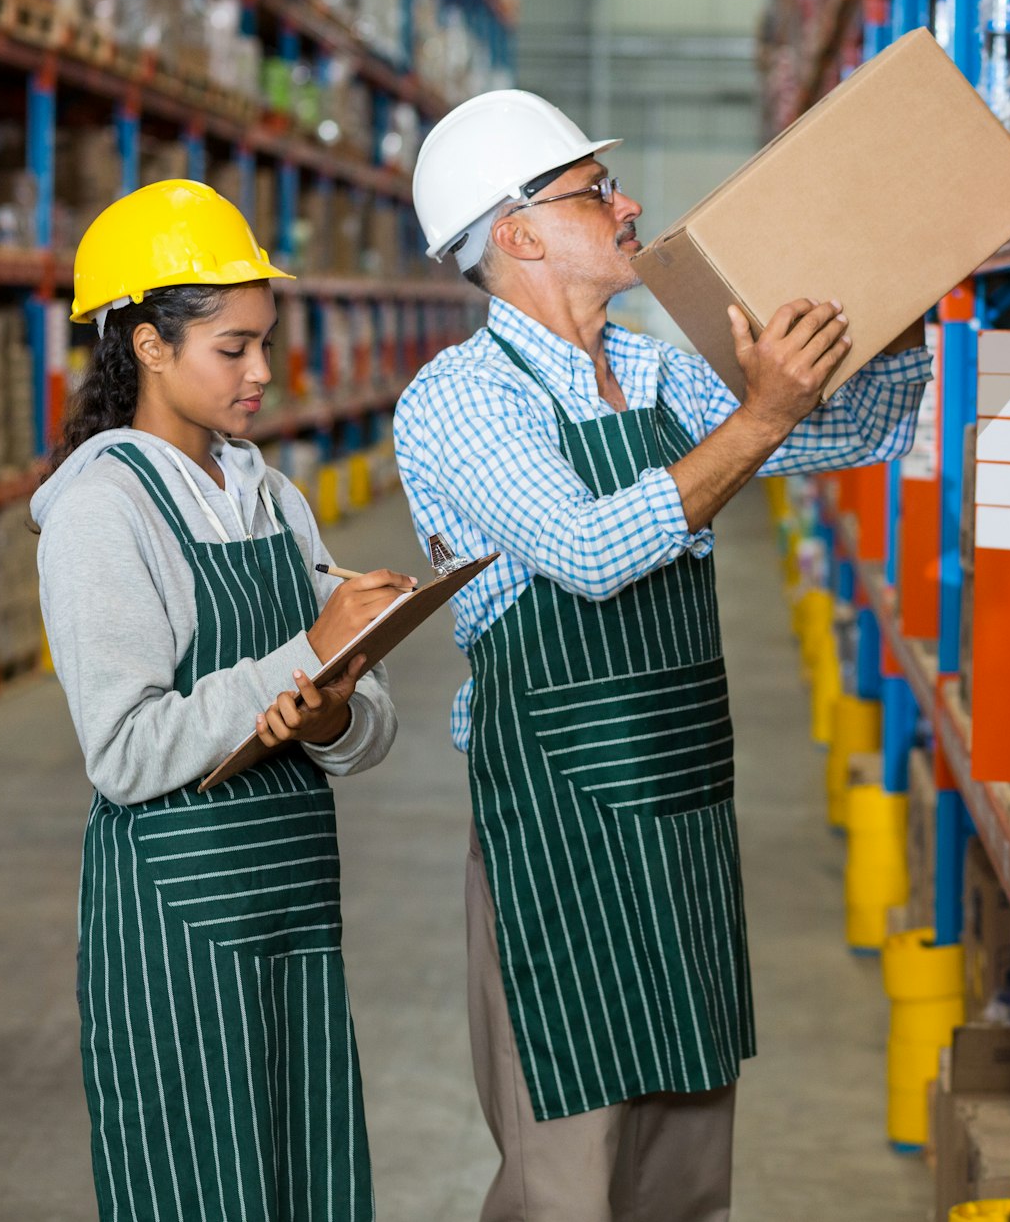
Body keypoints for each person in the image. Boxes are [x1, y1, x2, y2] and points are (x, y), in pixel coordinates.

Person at [396, 91, 933, 1220]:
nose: (627, 203)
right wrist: (760, 415)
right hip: (559, 835)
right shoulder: (458, 400)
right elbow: (591, 550)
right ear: (518, 232)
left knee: (686, 1162)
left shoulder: (654, 374)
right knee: (571, 1168)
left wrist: (898, 282)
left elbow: (848, 427)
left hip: (681, 816)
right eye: (594, 191)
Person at [32, 179, 411, 1221]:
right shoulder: (101, 510)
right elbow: (123, 747)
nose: (259, 372)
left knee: (306, 1178)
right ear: (149, 346)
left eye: (264, 343)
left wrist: (332, 710)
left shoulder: (269, 493)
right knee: (200, 1190)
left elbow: (360, 718)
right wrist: (303, 655)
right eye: (230, 347)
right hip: (177, 920)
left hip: (292, 901)